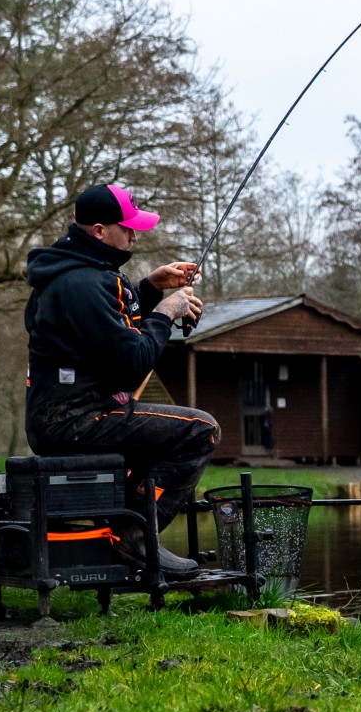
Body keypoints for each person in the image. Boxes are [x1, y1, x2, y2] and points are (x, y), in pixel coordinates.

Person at [23, 183, 218, 576]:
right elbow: (132, 363)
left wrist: (150, 289)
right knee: (201, 431)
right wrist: (166, 312)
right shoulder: (83, 283)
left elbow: (105, 332)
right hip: (75, 420)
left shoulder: (74, 269)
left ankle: (125, 529)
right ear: (99, 230)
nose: (134, 235)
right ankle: (135, 537)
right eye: (127, 227)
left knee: (170, 434)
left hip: (66, 415)